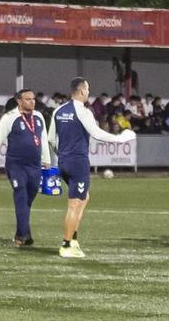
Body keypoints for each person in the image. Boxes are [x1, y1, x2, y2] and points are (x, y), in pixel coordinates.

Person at [50, 78, 136, 259]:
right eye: (88, 89)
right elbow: (96, 133)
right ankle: (66, 245)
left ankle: (73, 240)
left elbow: (51, 139)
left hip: (63, 160)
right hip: (78, 161)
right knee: (74, 204)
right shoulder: (83, 111)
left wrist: (63, 153)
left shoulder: (58, 111)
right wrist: (121, 138)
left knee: (84, 197)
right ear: (81, 91)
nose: (89, 92)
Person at [0, 89, 53, 247]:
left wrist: (46, 159)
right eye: (28, 99)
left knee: (28, 199)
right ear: (19, 101)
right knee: (20, 193)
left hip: (34, 165)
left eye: (33, 99)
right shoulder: (9, 118)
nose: (32, 102)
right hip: (16, 165)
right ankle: (22, 235)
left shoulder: (38, 116)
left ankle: (22, 233)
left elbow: (42, 138)